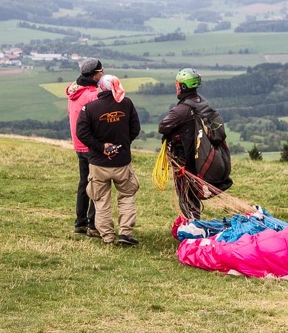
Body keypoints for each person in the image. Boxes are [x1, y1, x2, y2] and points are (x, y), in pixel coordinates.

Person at [76, 74, 141, 246]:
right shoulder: (126, 104)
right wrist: (123, 144)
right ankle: (125, 234)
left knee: (101, 200)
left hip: (98, 163)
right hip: (122, 162)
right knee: (127, 196)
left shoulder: (89, 108)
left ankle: (107, 237)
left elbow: (82, 133)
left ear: (100, 87)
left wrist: (101, 147)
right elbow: (135, 128)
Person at [158, 68, 231, 220]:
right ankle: (194, 223)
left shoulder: (181, 110)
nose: (176, 88)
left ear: (183, 87)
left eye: (177, 85)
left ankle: (193, 227)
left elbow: (162, 127)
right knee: (192, 195)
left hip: (185, 161)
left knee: (186, 195)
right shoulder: (202, 103)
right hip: (199, 158)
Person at [65, 58, 103, 236]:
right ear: (95, 75)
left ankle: (79, 222)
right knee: (95, 184)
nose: (102, 75)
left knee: (83, 182)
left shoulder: (75, 90)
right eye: (101, 72)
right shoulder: (92, 95)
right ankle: (92, 225)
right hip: (91, 144)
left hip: (78, 144)